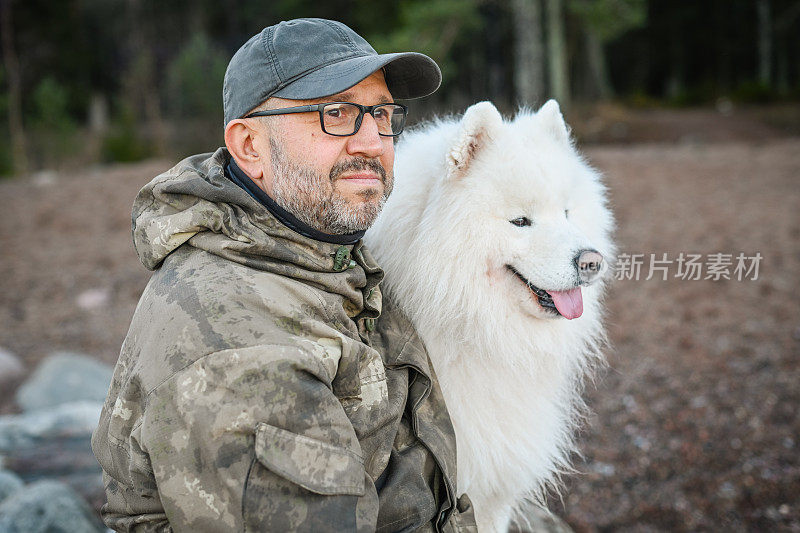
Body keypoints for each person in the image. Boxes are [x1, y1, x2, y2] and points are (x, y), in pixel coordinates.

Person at [91, 18, 477, 532]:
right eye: (335, 113)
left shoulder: (318, 253)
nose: (372, 142)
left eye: (381, 114)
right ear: (249, 146)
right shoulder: (239, 349)